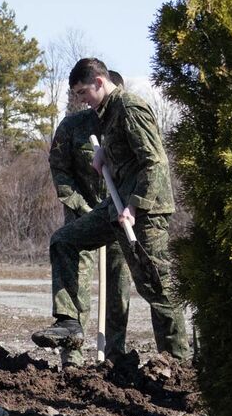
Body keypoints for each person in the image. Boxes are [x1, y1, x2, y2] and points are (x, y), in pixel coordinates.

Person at [33, 59, 191, 361]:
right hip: (114, 208)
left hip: (145, 213)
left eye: (82, 92)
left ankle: (176, 363)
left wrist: (134, 205)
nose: (80, 100)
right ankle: (68, 322)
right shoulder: (106, 114)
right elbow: (126, 153)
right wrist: (105, 154)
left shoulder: (130, 107)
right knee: (64, 240)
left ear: (99, 82)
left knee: (156, 287)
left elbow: (155, 162)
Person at [46, 70, 133, 364]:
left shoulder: (125, 123)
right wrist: (79, 205)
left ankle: (114, 357)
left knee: (119, 288)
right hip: (82, 213)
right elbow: (59, 168)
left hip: (120, 215)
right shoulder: (73, 126)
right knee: (76, 282)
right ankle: (73, 356)